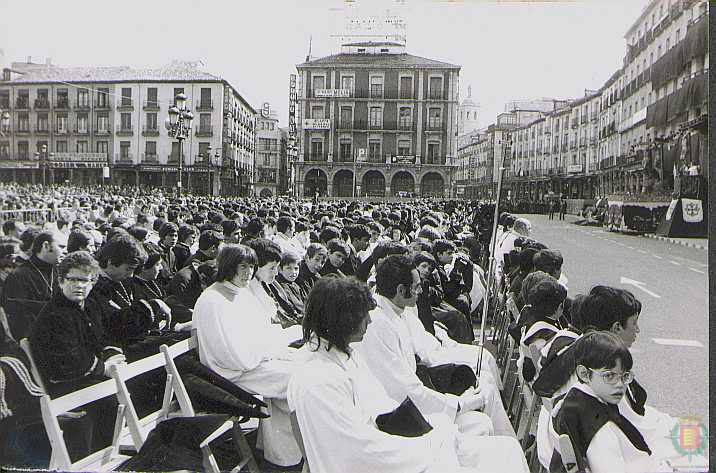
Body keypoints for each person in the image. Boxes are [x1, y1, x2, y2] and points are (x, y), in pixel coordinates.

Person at [288, 276, 529, 473]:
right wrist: (425, 446)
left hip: (391, 448)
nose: (370, 321)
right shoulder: (317, 378)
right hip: (380, 462)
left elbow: (383, 410)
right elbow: (359, 450)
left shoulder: (342, 355)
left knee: (508, 450)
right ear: (344, 320)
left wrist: (432, 431)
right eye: (364, 315)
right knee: (498, 460)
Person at [357, 255, 516, 438]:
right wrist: (459, 404)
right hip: (403, 415)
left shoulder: (396, 311)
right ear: (401, 290)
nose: (421, 291)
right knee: (481, 416)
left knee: (483, 388)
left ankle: (505, 437)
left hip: (417, 394)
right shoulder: (379, 324)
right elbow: (404, 390)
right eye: (417, 287)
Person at [192, 244, 305, 467]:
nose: (248, 273)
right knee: (299, 381)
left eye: (252, 267)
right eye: (242, 267)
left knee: (305, 365)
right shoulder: (212, 300)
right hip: (231, 373)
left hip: (252, 362)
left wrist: (272, 350)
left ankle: (284, 454)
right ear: (227, 267)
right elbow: (229, 354)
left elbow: (261, 333)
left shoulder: (239, 293)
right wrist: (267, 351)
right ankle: (292, 454)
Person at [30, 251, 124, 454]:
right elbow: (70, 361)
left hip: (82, 377)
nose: (79, 285)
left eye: (85, 280)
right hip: (61, 383)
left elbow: (102, 337)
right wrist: (104, 368)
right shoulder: (56, 314)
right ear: (61, 281)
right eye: (72, 279)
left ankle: (110, 450)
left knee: (121, 385)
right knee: (112, 397)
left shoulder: (86, 306)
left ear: (92, 283)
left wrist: (111, 355)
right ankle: (102, 457)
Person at [548, 332, 664, 473]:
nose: (620, 384)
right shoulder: (600, 430)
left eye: (624, 375)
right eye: (609, 375)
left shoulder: (574, 400)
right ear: (584, 374)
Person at [2, 231, 63, 340]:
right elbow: (18, 318)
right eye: (61, 246)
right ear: (46, 246)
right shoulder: (18, 276)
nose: (65, 251)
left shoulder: (57, 271)